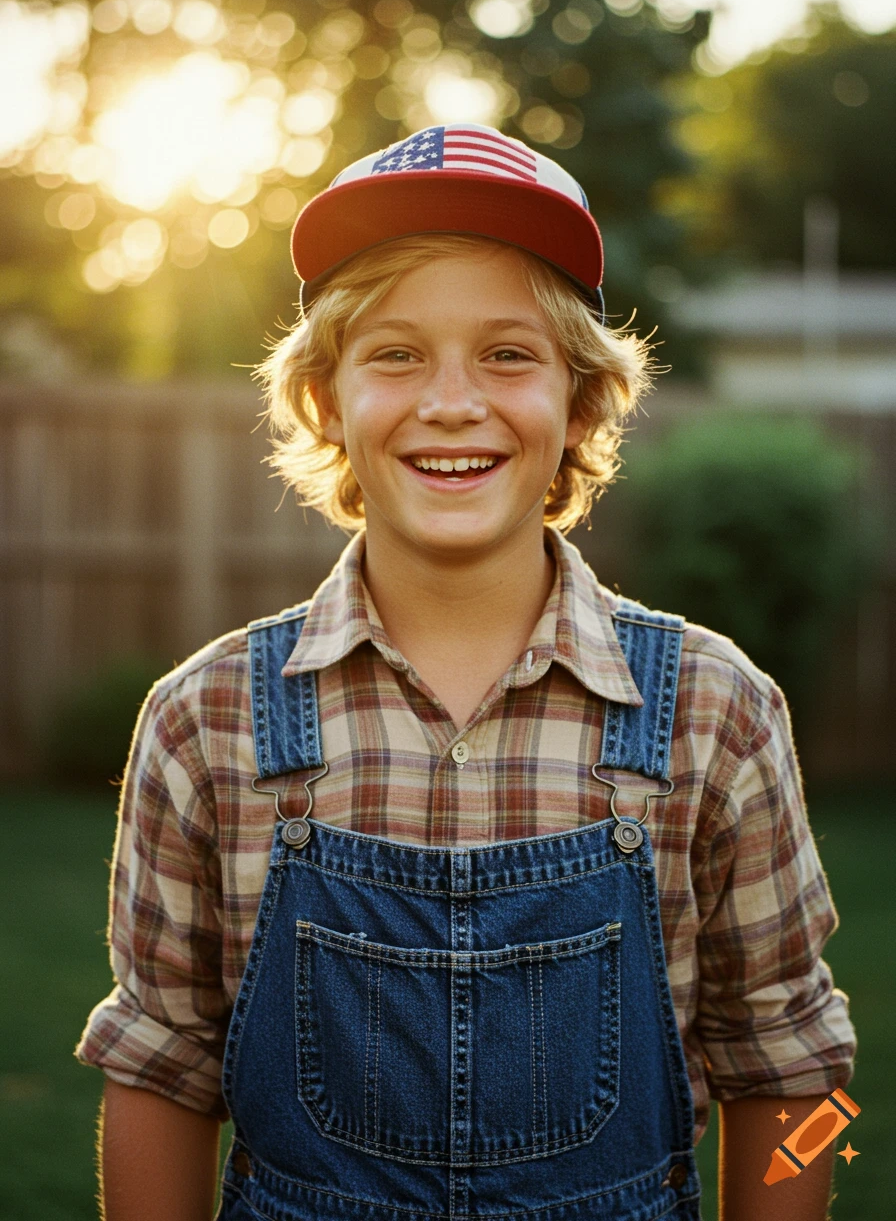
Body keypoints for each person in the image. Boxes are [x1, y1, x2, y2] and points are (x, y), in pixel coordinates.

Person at [77, 124, 856, 1221]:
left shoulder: (715, 711)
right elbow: (156, 1063)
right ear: (324, 401)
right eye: (394, 354)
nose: (451, 400)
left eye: (507, 353)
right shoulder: (204, 721)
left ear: (581, 402)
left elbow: (798, 1075)